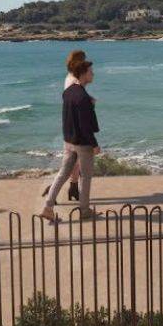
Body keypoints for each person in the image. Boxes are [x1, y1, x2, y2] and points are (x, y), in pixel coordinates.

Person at [40, 59, 99, 221]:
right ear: (83, 74)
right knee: (86, 177)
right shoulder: (83, 98)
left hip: (69, 141)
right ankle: (85, 211)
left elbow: (68, 118)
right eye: (90, 72)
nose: (93, 74)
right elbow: (85, 125)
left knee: (62, 174)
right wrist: (94, 144)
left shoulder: (68, 92)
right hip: (82, 143)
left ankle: (48, 207)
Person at [41, 50, 87, 203]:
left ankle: (73, 188)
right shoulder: (73, 80)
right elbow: (73, 100)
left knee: (74, 161)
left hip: (71, 124)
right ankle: (53, 190)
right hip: (74, 126)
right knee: (69, 163)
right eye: (84, 60)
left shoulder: (71, 78)